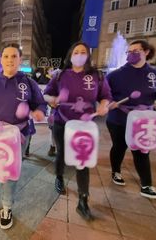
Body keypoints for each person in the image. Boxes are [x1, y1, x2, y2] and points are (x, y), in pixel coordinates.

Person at [0, 43, 46, 229]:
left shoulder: (29, 82)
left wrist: (39, 112)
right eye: (6, 56)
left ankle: (7, 206)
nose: (10, 60)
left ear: (20, 60)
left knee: (11, 173)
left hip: (18, 135)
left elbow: (41, 103)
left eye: (14, 56)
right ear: (1, 59)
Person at [43, 41, 111, 220]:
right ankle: (59, 176)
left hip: (84, 125)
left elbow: (106, 96)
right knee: (62, 153)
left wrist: (104, 105)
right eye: (76, 51)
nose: (80, 54)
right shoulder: (59, 75)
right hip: (61, 122)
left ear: (88, 55)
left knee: (83, 160)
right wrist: (54, 99)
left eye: (83, 52)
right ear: (70, 55)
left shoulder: (97, 75)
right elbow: (46, 94)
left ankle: (83, 200)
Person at [106, 40, 156, 199]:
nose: (131, 54)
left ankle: (146, 185)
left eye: (136, 50)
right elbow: (104, 95)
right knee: (119, 146)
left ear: (146, 52)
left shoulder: (155, 75)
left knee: (142, 150)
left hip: (144, 120)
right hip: (119, 118)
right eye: (129, 51)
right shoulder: (115, 75)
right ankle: (116, 172)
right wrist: (108, 102)